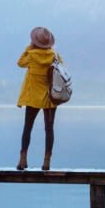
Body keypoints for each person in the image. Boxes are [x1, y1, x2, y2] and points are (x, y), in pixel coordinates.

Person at [16, 26, 63, 171]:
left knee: (27, 127)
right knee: (49, 129)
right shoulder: (54, 56)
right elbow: (61, 68)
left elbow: (20, 63)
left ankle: (23, 160)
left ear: (35, 42)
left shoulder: (31, 55)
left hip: (33, 98)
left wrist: (28, 47)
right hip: (50, 98)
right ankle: (47, 161)